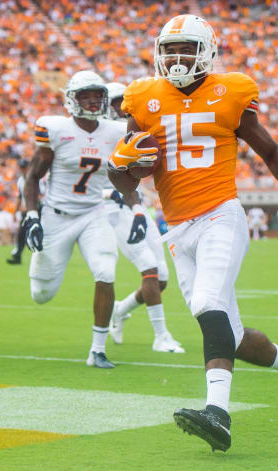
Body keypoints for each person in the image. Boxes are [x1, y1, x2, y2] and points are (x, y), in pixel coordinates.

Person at [108, 15, 278, 452]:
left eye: (185, 48)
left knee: (208, 305)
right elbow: (126, 181)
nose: (176, 57)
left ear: (206, 50)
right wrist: (119, 166)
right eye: (169, 49)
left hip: (220, 216)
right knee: (231, 335)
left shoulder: (230, 92)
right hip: (177, 229)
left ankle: (218, 415)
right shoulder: (143, 97)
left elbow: (268, 148)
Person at [23, 70, 123, 369]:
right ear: (71, 100)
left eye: (97, 96)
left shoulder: (115, 132)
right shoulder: (55, 129)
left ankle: (98, 349)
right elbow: (32, 177)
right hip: (57, 215)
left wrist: (136, 206)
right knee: (41, 293)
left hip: (94, 212)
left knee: (106, 271)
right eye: (85, 95)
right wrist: (31, 216)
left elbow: (125, 175)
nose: (93, 101)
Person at [102, 82, 183, 353]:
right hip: (113, 209)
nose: (119, 110)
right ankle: (161, 336)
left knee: (160, 279)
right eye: (114, 103)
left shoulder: (132, 132)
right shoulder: (100, 134)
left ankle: (120, 310)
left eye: (122, 105)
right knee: (148, 269)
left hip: (138, 205)